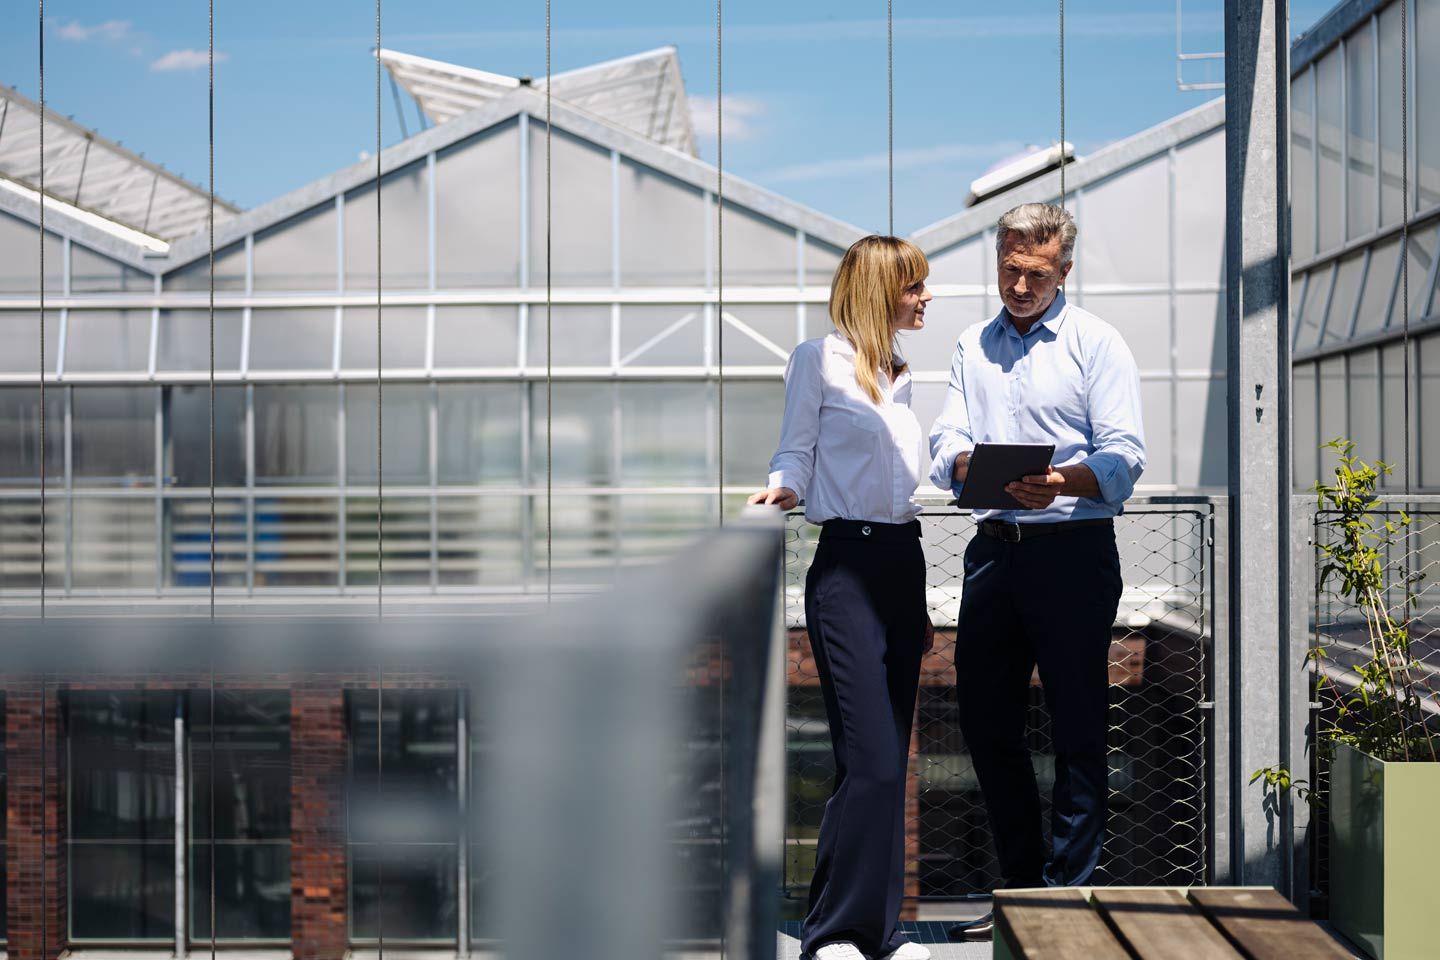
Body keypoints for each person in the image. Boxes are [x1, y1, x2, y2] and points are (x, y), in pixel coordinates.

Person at [928, 203, 1144, 940]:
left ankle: (1067, 900)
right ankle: (1020, 896)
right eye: (1010, 270)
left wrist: (1064, 482)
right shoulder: (971, 345)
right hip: (995, 552)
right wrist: (962, 462)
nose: (1020, 285)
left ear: (1065, 272)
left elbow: (1124, 456)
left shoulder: (1096, 344)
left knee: (1079, 728)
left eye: (1037, 274)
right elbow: (948, 436)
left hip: (1073, 555)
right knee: (989, 728)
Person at [749, 235, 935, 960]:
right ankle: (831, 934)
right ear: (880, 290)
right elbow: (796, 447)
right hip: (846, 571)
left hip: (901, 565)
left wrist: (917, 605)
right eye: (914, 287)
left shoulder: (902, 374)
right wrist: (785, 488)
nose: (924, 299)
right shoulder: (815, 361)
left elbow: (902, 488)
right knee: (873, 761)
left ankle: (882, 933)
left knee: (891, 761)